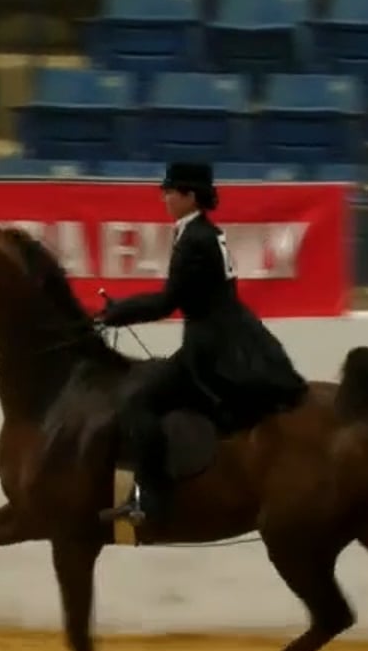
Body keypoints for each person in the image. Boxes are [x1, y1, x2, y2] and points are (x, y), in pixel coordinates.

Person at [96, 162, 311, 527]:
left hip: (212, 349)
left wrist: (117, 313)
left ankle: (148, 499)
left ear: (189, 196)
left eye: (171, 191)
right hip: (230, 335)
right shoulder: (203, 232)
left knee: (138, 403)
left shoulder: (194, 239)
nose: (165, 198)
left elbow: (168, 302)